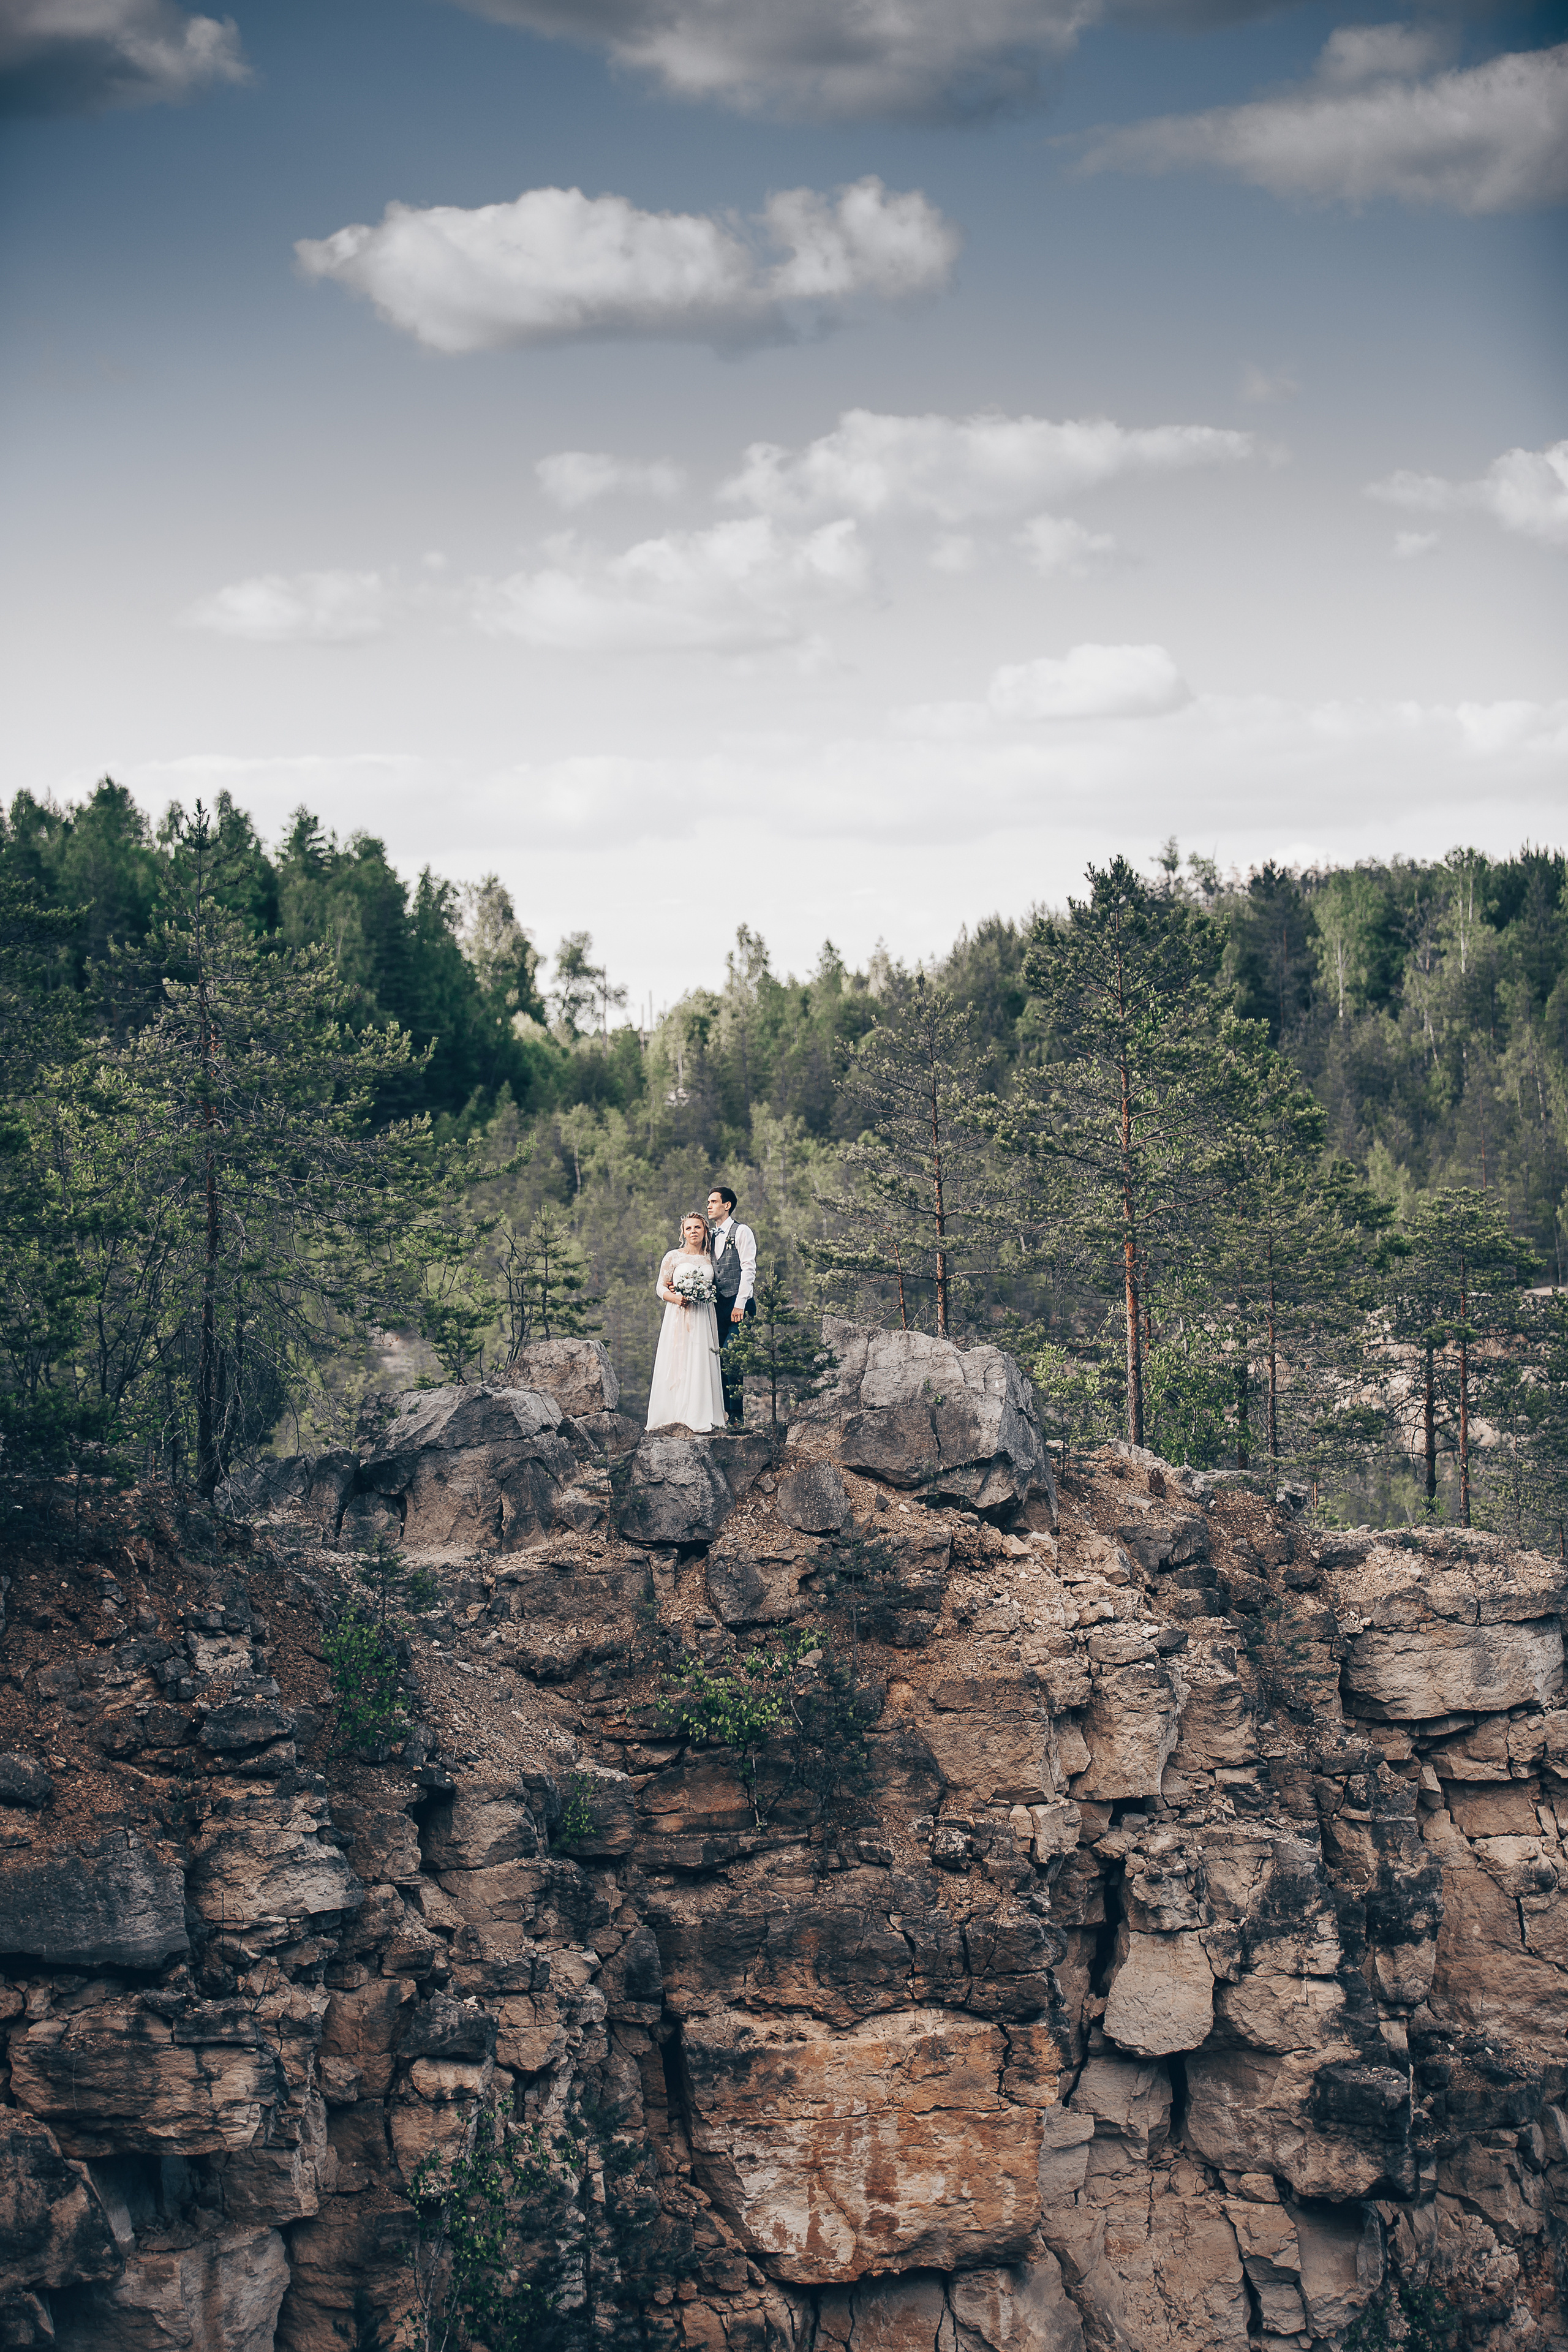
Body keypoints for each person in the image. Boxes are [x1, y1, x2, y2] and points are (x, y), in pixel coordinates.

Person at [646, 1211, 726, 1433]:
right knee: (677, 1360)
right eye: (689, 1228)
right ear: (683, 1233)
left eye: (698, 1227)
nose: (693, 1232)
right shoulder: (673, 1256)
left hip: (704, 1315)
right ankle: (673, 1412)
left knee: (701, 1359)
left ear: (705, 1231)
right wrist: (675, 1298)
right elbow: (660, 1286)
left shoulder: (712, 1258)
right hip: (679, 1314)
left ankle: (701, 1413)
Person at [706, 1185, 756, 1426]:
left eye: (714, 1202)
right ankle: (724, 1414)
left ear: (727, 1205)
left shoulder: (742, 1231)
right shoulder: (709, 1236)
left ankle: (737, 1414)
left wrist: (740, 1304)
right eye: (708, 1202)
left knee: (731, 1355)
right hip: (716, 1307)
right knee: (717, 1360)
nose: (709, 1206)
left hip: (739, 1305)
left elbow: (749, 1269)